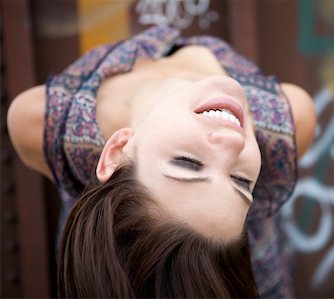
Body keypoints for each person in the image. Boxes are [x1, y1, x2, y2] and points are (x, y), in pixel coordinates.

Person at [7, 26, 316, 298]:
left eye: (187, 163)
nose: (235, 144)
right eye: (242, 182)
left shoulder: (40, 123)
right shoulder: (288, 122)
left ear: (117, 150)